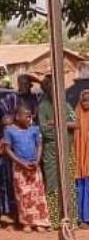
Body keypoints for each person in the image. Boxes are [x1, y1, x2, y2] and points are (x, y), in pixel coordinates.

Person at [2, 104, 51, 232]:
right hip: (19, 167)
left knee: (37, 195)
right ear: (18, 117)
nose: (29, 118)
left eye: (30, 116)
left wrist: (37, 160)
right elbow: (7, 149)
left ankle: (40, 222)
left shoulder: (35, 129)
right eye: (27, 116)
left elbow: (39, 145)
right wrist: (20, 163)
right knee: (23, 195)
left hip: (34, 165)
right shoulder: (9, 130)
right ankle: (26, 223)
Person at [39, 73, 77, 230]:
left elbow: (76, 124)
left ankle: (72, 219)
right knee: (53, 184)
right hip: (51, 151)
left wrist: (56, 122)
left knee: (69, 184)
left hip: (67, 149)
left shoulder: (65, 104)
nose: (53, 90)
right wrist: (62, 126)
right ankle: (55, 220)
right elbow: (45, 130)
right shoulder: (43, 107)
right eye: (49, 87)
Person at [0, 113, 18, 227]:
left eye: (9, 125)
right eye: (4, 126)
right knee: (4, 190)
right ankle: (6, 215)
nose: (7, 128)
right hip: (4, 166)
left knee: (15, 190)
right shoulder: (1, 137)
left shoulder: (17, 134)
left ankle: (16, 217)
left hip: (16, 165)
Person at [75, 90, 89, 227]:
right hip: (80, 157)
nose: (86, 103)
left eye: (88, 100)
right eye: (84, 100)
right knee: (81, 188)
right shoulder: (76, 114)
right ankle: (82, 218)